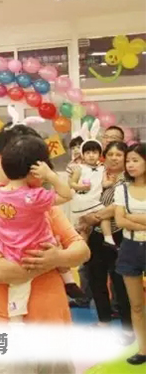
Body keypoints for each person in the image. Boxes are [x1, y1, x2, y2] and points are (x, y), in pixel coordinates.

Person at [0, 124, 90, 374]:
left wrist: (59, 256)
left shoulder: (38, 201)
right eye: (33, 167)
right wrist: (53, 261)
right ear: (0, 161)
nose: (39, 175)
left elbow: (82, 251)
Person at [0, 135, 76, 322]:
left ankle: (16, 319)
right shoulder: (34, 197)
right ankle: (68, 280)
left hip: (11, 252)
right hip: (35, 252)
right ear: (34, 170)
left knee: (17, 290)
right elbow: (67, 195)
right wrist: (51, 176)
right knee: (56, 244)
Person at [77, 141, 133, 346]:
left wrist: (95, 216)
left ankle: (128, 329)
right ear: (104, 156)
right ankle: (104, 321)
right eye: (110, 154)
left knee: (121, 283)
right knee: (96, 279)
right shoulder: (97, 176)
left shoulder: (130, 179)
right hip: (95, 235)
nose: (114, 158)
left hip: (119, 235)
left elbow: (118, 205)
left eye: (119, 155)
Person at [113, 143, 146, 365]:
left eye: (135, 160)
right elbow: (120, 221)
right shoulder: (121, 189)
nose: (130, 165)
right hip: (130, 248)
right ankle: (143, 349)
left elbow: (126, 218)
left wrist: (131, 217)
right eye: (128, 161)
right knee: (136, 305)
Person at [69, 138, 106, 238]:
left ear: (100, 154)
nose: (91, 155)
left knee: (101, 219)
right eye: (88, 153)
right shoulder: (79, 168)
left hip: (95, 200)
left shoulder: (103, 168)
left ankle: (107, 237)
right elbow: (71, 183)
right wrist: (80, 187)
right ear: (83, 155)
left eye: (94, 152)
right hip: (82, 200)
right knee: (82, 229)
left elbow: (104, 183)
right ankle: (82, 245)